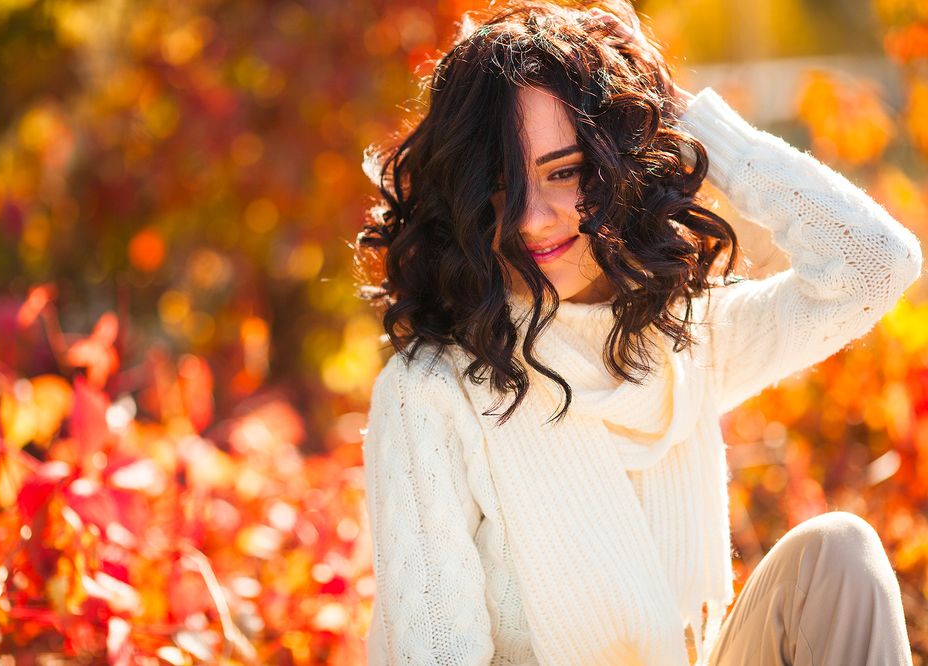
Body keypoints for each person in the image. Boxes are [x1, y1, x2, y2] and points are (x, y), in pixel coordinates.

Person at [353, 1, 923, 664]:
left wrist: (680, 112)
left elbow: (874, 265)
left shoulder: (680, 343)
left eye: (564, 171)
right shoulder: (430, 393)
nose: (534, 218)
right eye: (502, 185)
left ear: (617, 164)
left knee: (837, 555)